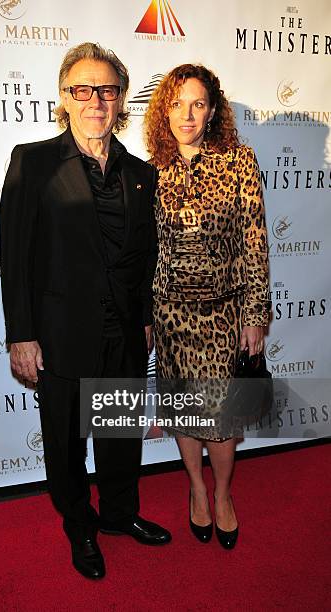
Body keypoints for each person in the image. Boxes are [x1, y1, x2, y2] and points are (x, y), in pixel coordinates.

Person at [0, 42, 171, 580]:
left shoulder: (140, 172)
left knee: (119, 435)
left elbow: (144, 256)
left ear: (121, 100)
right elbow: (16, 255)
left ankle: (120, 515)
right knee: (67, 445)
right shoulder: (34, 161)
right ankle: (80, 526)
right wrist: (21, 335)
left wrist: (142, 316)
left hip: (122, 332)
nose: (96, 99)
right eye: (84, 89)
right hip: (59, 333)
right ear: (65, 97)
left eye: (107, 89)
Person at [143, 64, 270, 549]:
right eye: (176, 103)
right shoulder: (150, 168)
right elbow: (146, 251)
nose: (187, 114)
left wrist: (255, 316)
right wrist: (147, 319)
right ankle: (196, 488)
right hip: (172, 317)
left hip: (223, 314)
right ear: (164, 110)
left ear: (213, 109)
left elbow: (254, 242)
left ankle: (221, 495)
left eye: (198, 103)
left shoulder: (239, 161)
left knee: (220, 421)